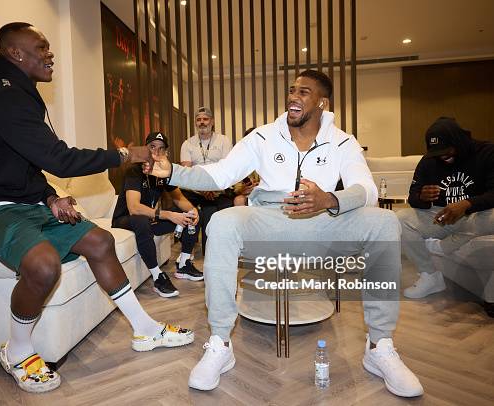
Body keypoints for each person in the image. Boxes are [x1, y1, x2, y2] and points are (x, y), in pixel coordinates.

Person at [0, 22, 193, 394]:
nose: (51, 55)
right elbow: (59, 159)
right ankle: (16, 351)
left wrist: (49, 197)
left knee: (99, 241)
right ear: (15, 53)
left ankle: (145, 330)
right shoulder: (4, 99)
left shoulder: (20, 96)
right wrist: (127, 153)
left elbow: (27, 167)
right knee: (43, 264)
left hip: (25, 204)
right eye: (42, 48)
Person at [149, 70, 424, 397]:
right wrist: (173, 172)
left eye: (304, 92)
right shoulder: (262, 137)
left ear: (322, 102)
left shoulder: (342, 142)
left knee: (384, 222)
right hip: (269, 218)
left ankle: (379, 345)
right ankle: (220, 343)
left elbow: (366, 189)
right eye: (292, 91)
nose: (294, 97)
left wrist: (329, 199)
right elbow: (221, 175)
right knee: (222, 222)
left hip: (324, 219)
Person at [398, 117, 494, 299]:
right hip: (442, 217)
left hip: (477, 215)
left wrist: (467, 205)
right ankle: (430, 276)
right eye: (436, 152)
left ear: (459, 141)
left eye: (447, 149)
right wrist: (421, 197)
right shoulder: (429, 160)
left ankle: (443, 247)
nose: (442, 155)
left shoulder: (487, 152)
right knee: (401, 219)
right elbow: (413, 195)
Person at [112, 132, 203, 298]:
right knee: (141, 220)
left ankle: (183, 264)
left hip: (150, 219)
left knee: (191, 215)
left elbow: (179, 197)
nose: (156, 152)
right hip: (125, 219)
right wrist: (167, 214)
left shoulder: (163, 172)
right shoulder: (135, 171)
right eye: (152, 147)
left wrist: (193, 211)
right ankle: (157, 276)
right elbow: (134, 208)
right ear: (145, 148)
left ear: (165, 153)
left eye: (161, 149)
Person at [180, 107, 234, 250]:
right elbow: (187, 173)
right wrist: (203, 189)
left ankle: (221, 247)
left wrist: (212, 188)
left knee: (223, 207)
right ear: (195, 123)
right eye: (198, 119)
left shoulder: (223, 140)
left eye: (205, 119)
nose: (202, 122)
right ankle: (187, 250)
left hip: (218, 188)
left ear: (212, 121)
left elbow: (227, 168)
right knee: (183, 203)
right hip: (196, 190)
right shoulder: (187, 144)